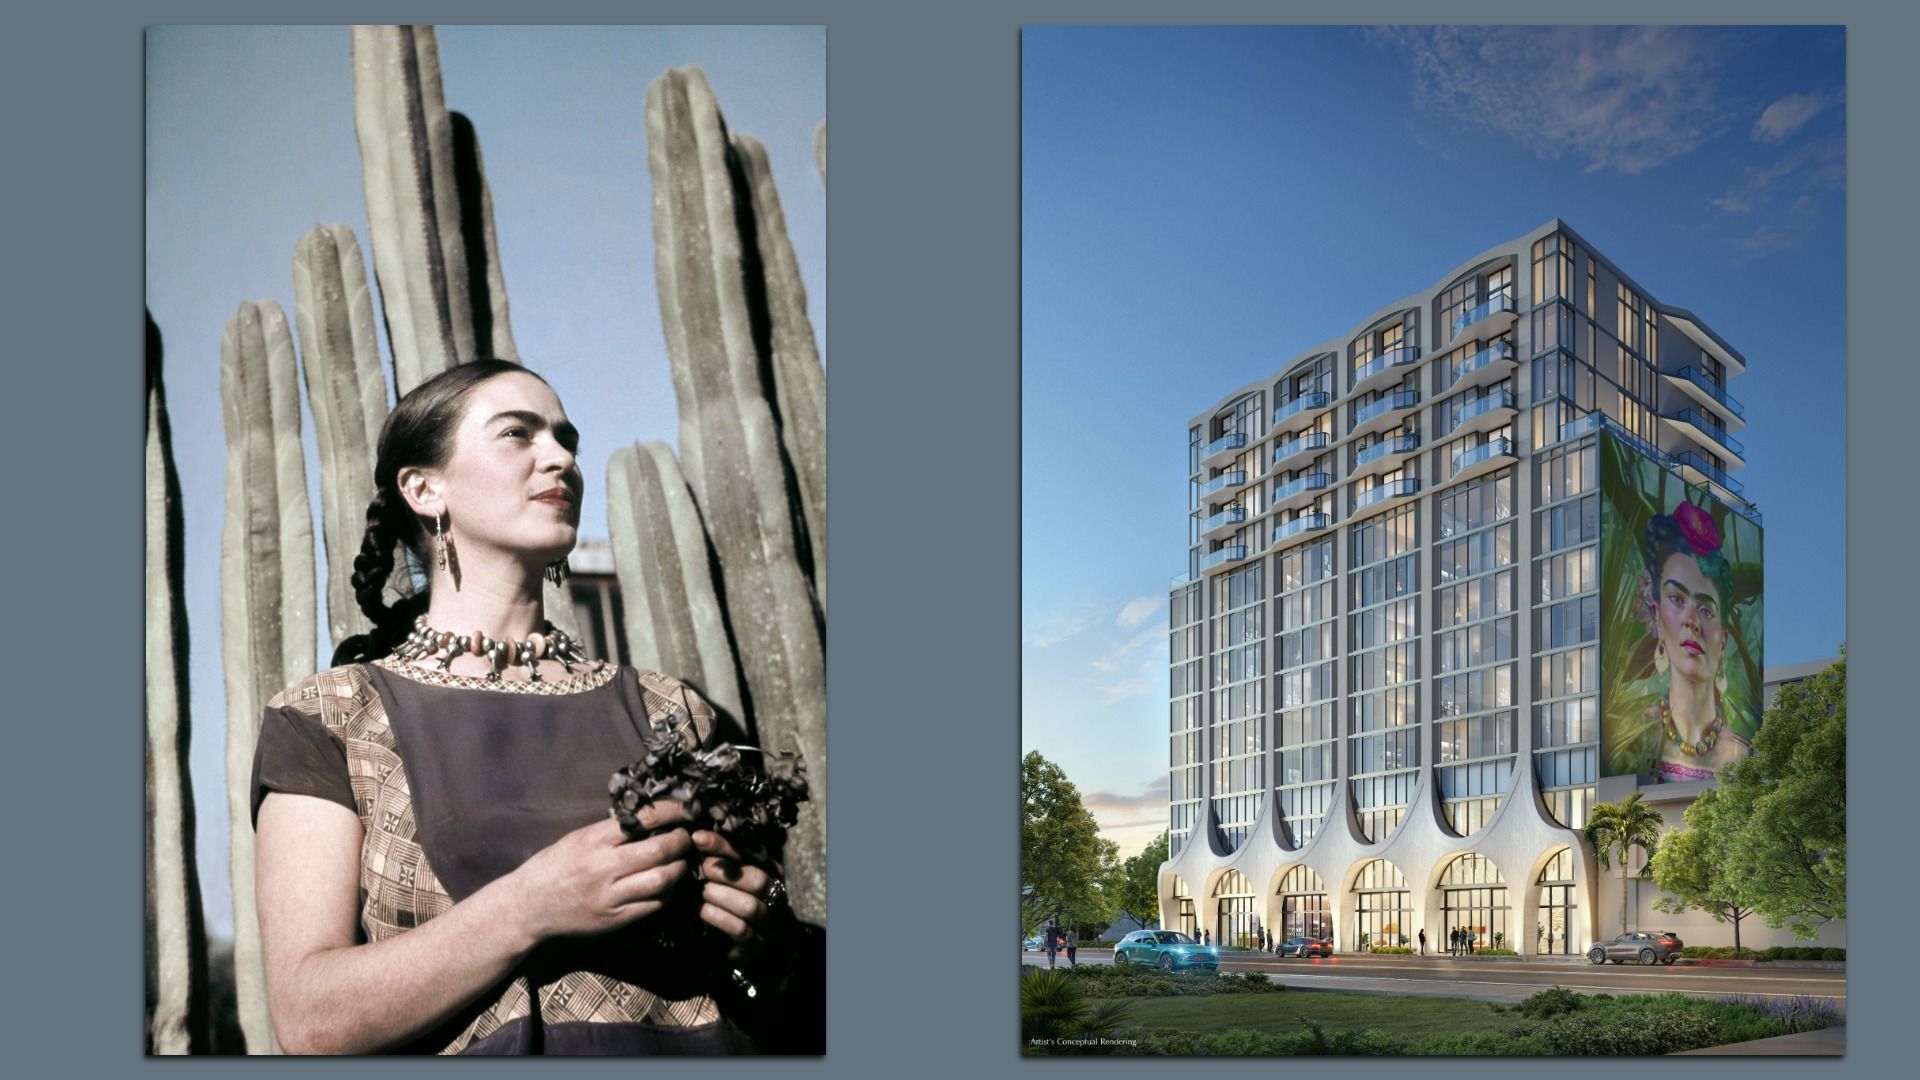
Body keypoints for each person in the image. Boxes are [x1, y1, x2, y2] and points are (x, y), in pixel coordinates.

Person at [251, 361, 809, 1055]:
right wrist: (530, 906)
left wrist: (768, 942)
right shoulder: (329, 716)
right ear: (426, 489)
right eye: (518, 434)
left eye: (566, 439)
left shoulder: (677, 712)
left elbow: (785, 990)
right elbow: (309, 1020)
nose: (562, 458)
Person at [1628, 502, 1751, 781]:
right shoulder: (1634, 737)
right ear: (1657, 617)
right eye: (1677, 599)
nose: (1691, 621)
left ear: (1723, 641)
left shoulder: (1743, 757)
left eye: (1706, 610)